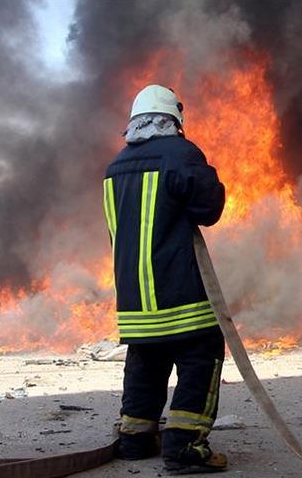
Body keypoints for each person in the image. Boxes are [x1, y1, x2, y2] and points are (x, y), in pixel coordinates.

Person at [103, 84, 227, 474]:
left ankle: (135, 438)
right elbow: (209, 208)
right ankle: (184, 445)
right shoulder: (180, 154)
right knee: (201, 354)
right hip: (180, 294)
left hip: (134, 302)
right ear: (174, 119)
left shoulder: (115, 167)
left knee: (147, 360)